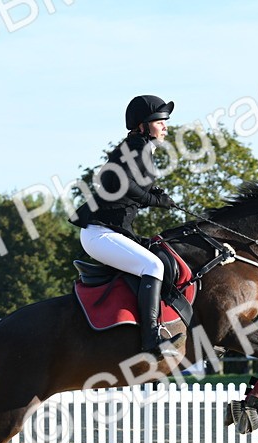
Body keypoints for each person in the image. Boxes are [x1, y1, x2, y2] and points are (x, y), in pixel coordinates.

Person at [72, 94, 182, 358]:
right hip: (100, 234)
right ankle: (150, 339)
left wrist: (156, 193)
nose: (166, 126)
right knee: (153, 266)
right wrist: (152, 199)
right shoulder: (135, 146)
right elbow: (110, 179)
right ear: (143, 124)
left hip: (112, 231)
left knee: (159, 256)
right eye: (160, 121)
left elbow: (133, 184)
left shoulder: (140, 147)